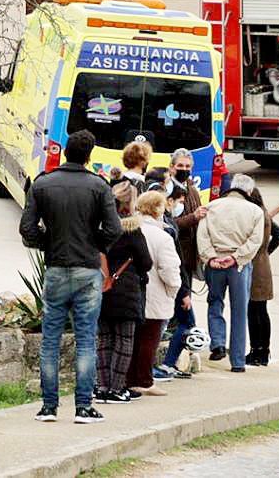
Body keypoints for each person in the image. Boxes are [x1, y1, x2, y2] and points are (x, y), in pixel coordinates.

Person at [20, 130, 122, 424]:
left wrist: (48, 243)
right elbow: (114, 229)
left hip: (56, 266)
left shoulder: (43, 184)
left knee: (50, 339)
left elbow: (27, 228)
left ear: (65, 152)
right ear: (89, 156)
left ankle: (49, 406)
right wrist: (93, 244)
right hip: (87, 268)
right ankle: (83, 406)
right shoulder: (98, 186)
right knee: (86, 339)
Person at [198, 172, 265, 372]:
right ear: (249, 191)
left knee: (215, 302)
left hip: (215, 262)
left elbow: (202, 235)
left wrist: (210, 257)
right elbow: (255, 240)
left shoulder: (212, 206)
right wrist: (236, 257)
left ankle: (218, 343)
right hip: (239, 265)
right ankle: (237, 361)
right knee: (239, 311)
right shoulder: (255, 211)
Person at [95, 181, 152, 404]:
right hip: (126, 291)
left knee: (104, 339)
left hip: (101, 288)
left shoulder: (99, 229)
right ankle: (117, 388)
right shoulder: (132, 231)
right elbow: (146, 262)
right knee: (124, 340)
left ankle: (102, 387)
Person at [155, 148, 207, 379]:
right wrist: (193, 218)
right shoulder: (167, 190)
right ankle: (166, 364)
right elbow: (170, 223)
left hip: (187, 260)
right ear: (172, 167)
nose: (184, 170)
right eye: (180, 166)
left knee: (181, 316)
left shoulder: (192, 189)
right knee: (183, 317)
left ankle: (170, 363)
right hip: (174, 261)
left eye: (187, 166)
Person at [128, 190, 182, 397]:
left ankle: (129, 379)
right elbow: (169, 269)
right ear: (158, 209)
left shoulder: (129, 229)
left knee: (132, 340)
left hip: (130, 293)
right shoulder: (162, 236)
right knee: (149, 340)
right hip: (156, 293)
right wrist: (173, 290)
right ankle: (144, 380)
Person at [242, 181, 279, 367]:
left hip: (254, 266)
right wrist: (266, 252)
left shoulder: (254, 214)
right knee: (260, 309)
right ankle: (263, 351)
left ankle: (256, 350)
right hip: (263, 265)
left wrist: (262, 252)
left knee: (254, 311)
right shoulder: (264, 213)